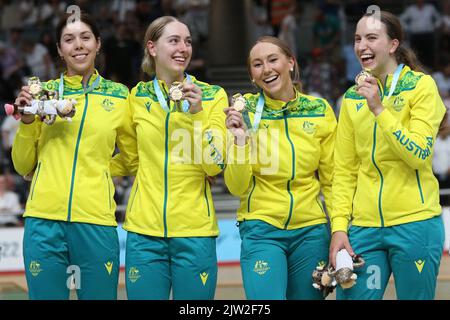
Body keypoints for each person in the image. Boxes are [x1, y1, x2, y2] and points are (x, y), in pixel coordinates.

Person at [12, 12, 135, 300]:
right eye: (69, 39)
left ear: (98, 44)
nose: (78, 45)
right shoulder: (42, 94)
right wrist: (28, 122)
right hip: (44, 222)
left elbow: (133, 157)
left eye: (85, 37)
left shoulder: (119, 96)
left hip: (95, 222)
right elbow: (21, 164)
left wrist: (100, 169)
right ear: (59, 49)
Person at [330, 10, 447, 300]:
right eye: (357, 39)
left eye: (371, 37)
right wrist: (339, 228)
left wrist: (379, 110)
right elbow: (343, 171)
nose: (361, 46)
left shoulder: (422, 87)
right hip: (365, 228)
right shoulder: (351, 98)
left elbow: (419, 154)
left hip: (415, 223)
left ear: (393, 45)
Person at [110, 16, 228, 300]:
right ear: (152, 47)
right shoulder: (135, 98)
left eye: (187, 42)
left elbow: (214, 164)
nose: (183, 48)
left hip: (195, 231)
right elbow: (129, 158)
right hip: (143, 232)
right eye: (174, 40)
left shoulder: (213, 96)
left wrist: (197, 113)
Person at [223, 36, 337, 299]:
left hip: (312, 231)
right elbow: (237, 186)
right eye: (257, 64)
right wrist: (240, 141)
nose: (267, 69)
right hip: (261, 228)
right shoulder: (243, 112)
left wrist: (340, 229)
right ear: (252, 75)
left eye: (273, 60)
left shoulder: (319, 110)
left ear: (290, 62)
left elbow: (333, 179)